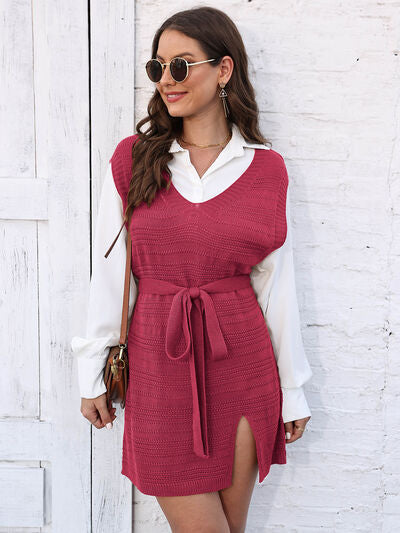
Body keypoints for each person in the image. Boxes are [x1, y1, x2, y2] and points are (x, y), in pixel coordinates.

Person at [71, 6, 313, 532]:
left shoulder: (266, 169)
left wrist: (292, 390)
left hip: (243, 364)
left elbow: (277, 286)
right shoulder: (134, 159)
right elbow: (111, 274)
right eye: (157, 68)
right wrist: (91, 370)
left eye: (180, 65)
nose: (166, 80)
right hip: (159, 365)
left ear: (223, 70)